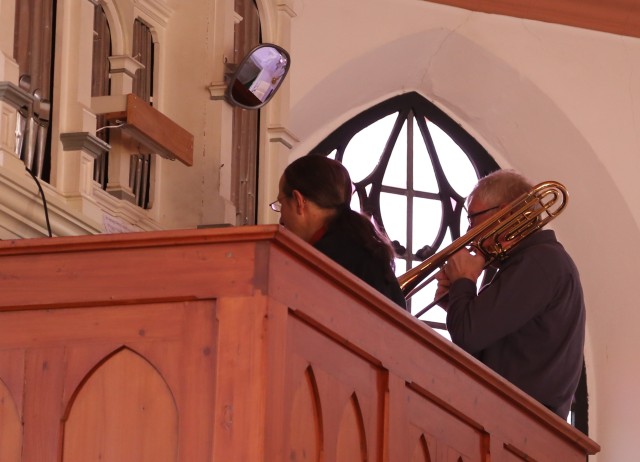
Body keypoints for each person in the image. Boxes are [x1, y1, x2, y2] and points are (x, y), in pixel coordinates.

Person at [434, 169, 585, 418]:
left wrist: (464, 280)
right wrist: (457, 301)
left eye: (473, 219)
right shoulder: (531, 262)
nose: (469, 233)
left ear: (507, 213)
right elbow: (489, 351)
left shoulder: (539, 262)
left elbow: (467, 335)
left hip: (520, 420)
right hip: (514, 417)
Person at [271, 155, 407, 310]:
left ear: (299, 201)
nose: (281, 220)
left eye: (281, 204)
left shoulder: (321, 263)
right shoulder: (363, 248)